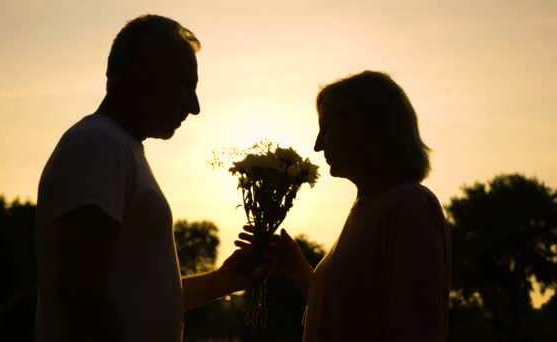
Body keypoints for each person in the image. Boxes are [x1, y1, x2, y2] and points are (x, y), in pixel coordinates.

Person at [35, 15, 261, 342]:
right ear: (145, 74)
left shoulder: (118, 148)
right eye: (187, 85)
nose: (195, 107)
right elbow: (82, 294)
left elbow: (140, 300)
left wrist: (223, 281)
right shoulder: (98, 145)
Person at [238, 71, 451, 341]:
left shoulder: (408, 205)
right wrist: (297, 269)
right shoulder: (368, 208)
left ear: (366, 127)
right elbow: (347, 313)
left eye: (326, 128)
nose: (317, 145)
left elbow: (415, 325)